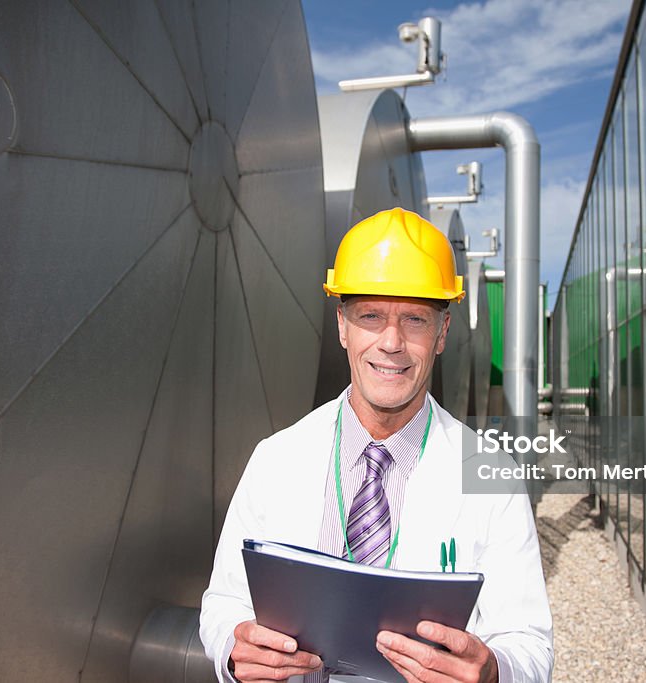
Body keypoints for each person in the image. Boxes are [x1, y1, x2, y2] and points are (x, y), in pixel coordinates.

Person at [200, 207, 553, 682]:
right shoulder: (276, 459)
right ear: (342, 326)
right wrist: (232, 650)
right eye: (370, 315)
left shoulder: (489, 475)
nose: (391, 342)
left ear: (443, 333)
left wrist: (493, 673)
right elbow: (223, 603)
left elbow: (529, 642)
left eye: (415, 319)